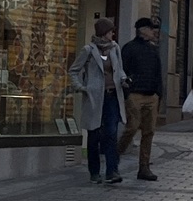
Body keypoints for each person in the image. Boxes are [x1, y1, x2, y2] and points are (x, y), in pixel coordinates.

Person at [69, 17, 127, 185]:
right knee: (94, 134)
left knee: (111, 133)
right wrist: (81, 87)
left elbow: (120, 70)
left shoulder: (115, 48)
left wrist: (123, 79)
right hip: (94, 97)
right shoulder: (88, 50)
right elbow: (73, 70)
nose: (112, 34)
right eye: (110, 31)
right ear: (103, 33)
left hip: (112, 96)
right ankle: (94, 172)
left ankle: (112, 171)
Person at [118, 17, 163, 182]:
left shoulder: (153, 50)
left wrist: (159, 93)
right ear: (143, 30)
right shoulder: (129, 48)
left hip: (151, 95)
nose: (154, 32)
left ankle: (144, 167)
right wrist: (127, 92)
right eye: (151, 29)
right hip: (135, 94)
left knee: (149, 132)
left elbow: (158, 73)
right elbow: (122, 72)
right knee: (131, 128)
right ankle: (115, 157)